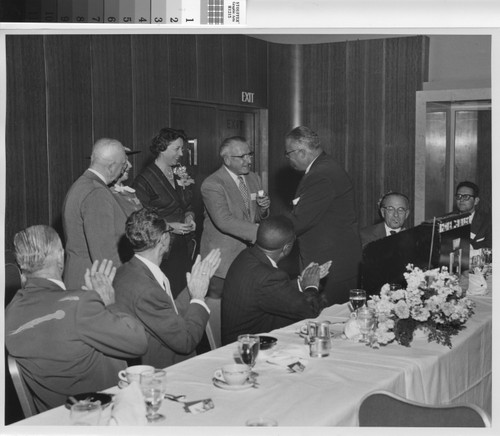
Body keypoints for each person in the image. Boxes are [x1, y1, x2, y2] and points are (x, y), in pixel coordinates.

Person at [5, 225, 148, 413]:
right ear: (59, 256)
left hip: (51, 423)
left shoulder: (9, 314)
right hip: (103, 416)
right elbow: (139, 342)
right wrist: (109, 302)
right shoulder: (79, 305)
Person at [113, 207, 221, 368]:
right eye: (170, 231)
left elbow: (165, 311)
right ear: (164, 239)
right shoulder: (147, 290)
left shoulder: (126, 271)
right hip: (164, 369)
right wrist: (198, 298)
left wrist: (192, 289)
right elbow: (185, 342)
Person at [221, 215, 331, 345]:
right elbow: (310, 311)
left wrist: (301, 283)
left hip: (238, 338)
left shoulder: (246, 256)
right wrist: (311, 286)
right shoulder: (268, 276)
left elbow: (272, 292)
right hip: (251, 347)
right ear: (286, 248)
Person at [284, 126, 362, 305]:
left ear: (301, 152)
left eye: (288, 154)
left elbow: (299, 221)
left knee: (325, 322)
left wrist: (265, 232)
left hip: (330, 266)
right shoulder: (326, 166)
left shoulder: (320, 175)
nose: (288, 159)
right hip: (337, 262)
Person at [200, 136, 270, 297]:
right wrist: (261, 233)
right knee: (217, 307)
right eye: (242, 157)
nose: (248, 160)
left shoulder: (254, 178)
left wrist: (264, 208)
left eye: (249, 154)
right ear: (226, 159)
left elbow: (256, 216)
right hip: (221, 262)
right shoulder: (212, 184)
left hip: (248, 258)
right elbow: (224, 221)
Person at [132, 128, 195, 298]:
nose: (181, 153)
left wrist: (190, 216)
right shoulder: (144, 180)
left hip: (183, 244)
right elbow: (142, 219)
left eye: (182, 149)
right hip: (161, 248)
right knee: (169, 293)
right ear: (162, 148)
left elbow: (188, 203)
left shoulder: (179, 171)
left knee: (185, 291)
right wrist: (169, 226)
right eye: (177, 149)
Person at [62, 138, 129, 289]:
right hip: (92, 285)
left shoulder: (81, 184)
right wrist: (125, 286)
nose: (123, 170)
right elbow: (105, 256)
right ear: (111, 167)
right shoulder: (96, 193)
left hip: (79, 277)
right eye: (123, 165)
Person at [453, 181, 491, 249]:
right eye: (458, 196)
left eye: (466, 197)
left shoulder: (488, 221)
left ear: (476, 201)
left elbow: (491, 244)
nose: (461, 200)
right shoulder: (446, 220)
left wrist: (469, 247)